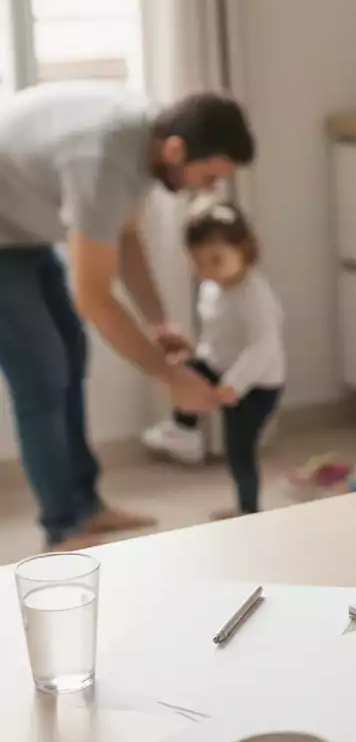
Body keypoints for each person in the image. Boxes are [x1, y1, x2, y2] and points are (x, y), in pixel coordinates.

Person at [0, 81, 256, 551]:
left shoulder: (146, 140)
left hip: (20, 225)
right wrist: (171, 378)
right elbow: (94, 297)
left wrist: (159, 322)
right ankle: (63, 526)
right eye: (208, 176)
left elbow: (125, 237)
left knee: (71, 356)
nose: (211, 189)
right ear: (178, 150)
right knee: (42, 375)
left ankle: (86, 506)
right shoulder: (104, 161)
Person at [142, 201, 284, 519]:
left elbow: (263, 346)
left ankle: (249, 509)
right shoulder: (211, 287)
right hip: (222, 368)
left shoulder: (255, 295)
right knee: (183, 372)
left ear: (244, 249)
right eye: (198, 263)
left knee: (239, 450)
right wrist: (197, 357)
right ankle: (184, 431)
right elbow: (216, 336)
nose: (206, 272)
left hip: (258, 385)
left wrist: (234, 385)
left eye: (216, 261)